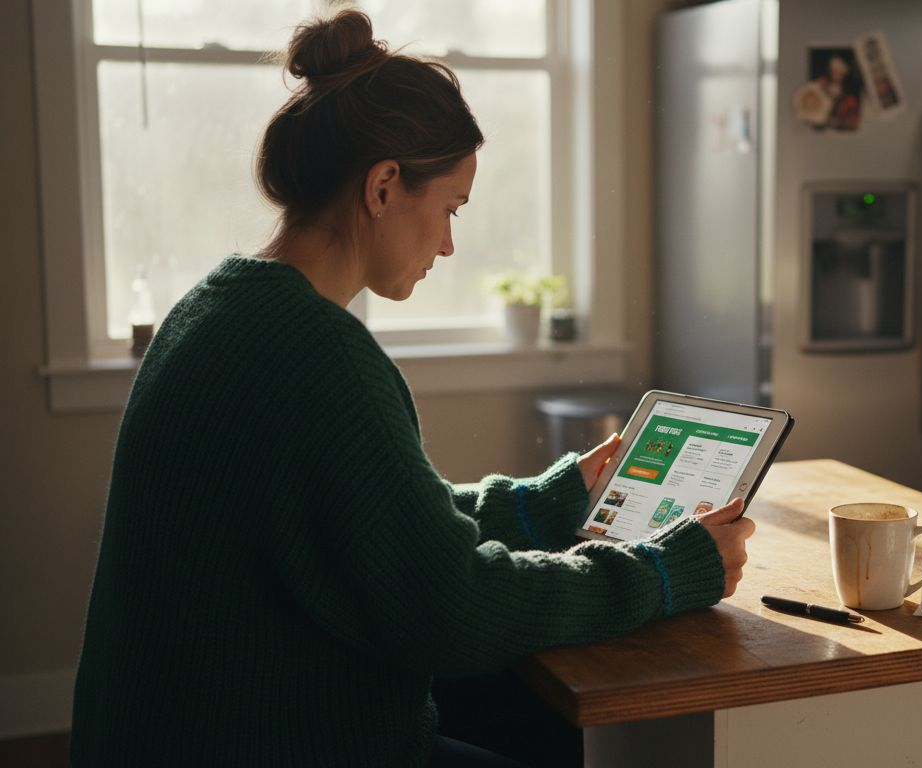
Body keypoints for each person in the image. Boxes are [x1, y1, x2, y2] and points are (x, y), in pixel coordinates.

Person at [69, 9, 755, 767]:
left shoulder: (216, 307)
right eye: (450, 209)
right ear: (384, 187)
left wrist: (542, 504)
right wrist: (663, 571)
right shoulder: (318, 356)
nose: (450, 243)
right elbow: (456, 607)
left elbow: (371, 523)